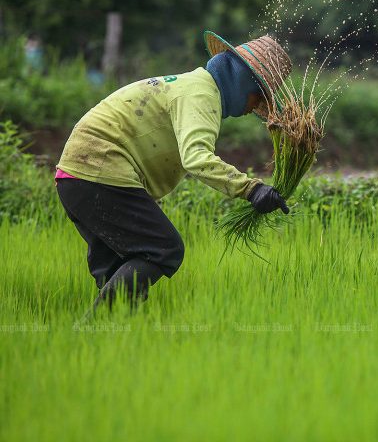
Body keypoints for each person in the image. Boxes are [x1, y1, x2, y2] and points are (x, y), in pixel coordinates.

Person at [55, 31, 293, 310]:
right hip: (100, 170)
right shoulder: (202, 95)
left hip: (75, 178)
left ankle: (106, 340)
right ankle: (93, 326)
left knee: (119, 272)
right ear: (243, 84)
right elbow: (196, 158)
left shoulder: (190, 85)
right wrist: (252, 189)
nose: (253, 108)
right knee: (164, 249)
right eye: (257, 98)